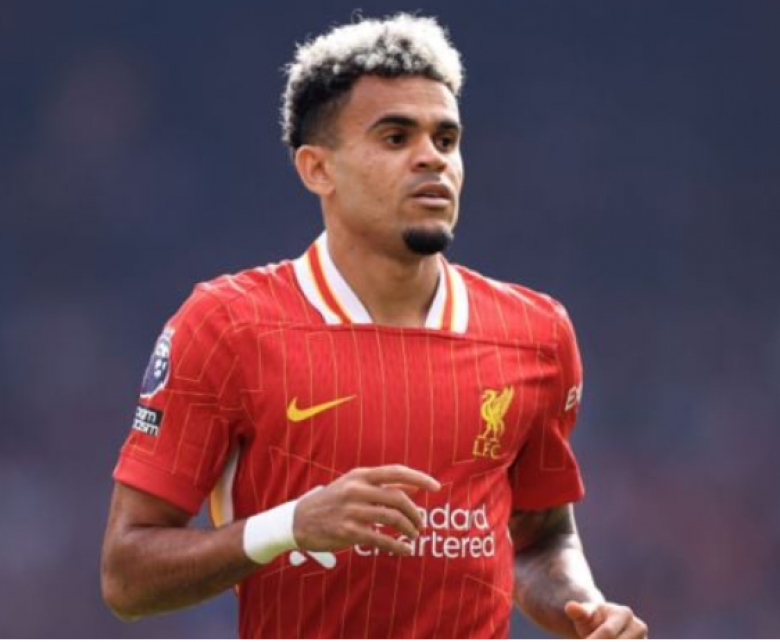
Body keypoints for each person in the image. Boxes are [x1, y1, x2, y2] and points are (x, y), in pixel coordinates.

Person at [101, 13, 647, 639]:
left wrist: (585, 610)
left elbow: (541, 539)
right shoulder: (228, 326)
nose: (431, 158)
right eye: (395, 137)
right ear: (317, 169)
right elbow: (127, 576)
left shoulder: (536, 334)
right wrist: (289, 527)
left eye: (446, 139)